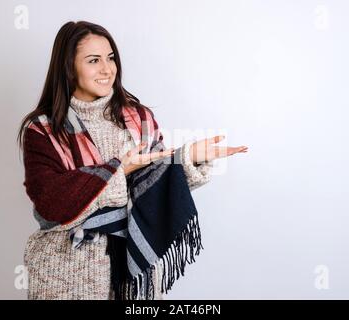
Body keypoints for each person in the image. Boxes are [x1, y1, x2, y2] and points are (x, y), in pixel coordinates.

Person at [17, 20, 248, 300]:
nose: (107, 69)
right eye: (93, 60)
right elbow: (50, 200)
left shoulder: (138, 119)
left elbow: (154, 187)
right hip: (67, 270)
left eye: (110, 58)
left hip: (135, 271)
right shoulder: (43, 130)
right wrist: (118, 170)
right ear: (68, 67)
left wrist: (188, 158)